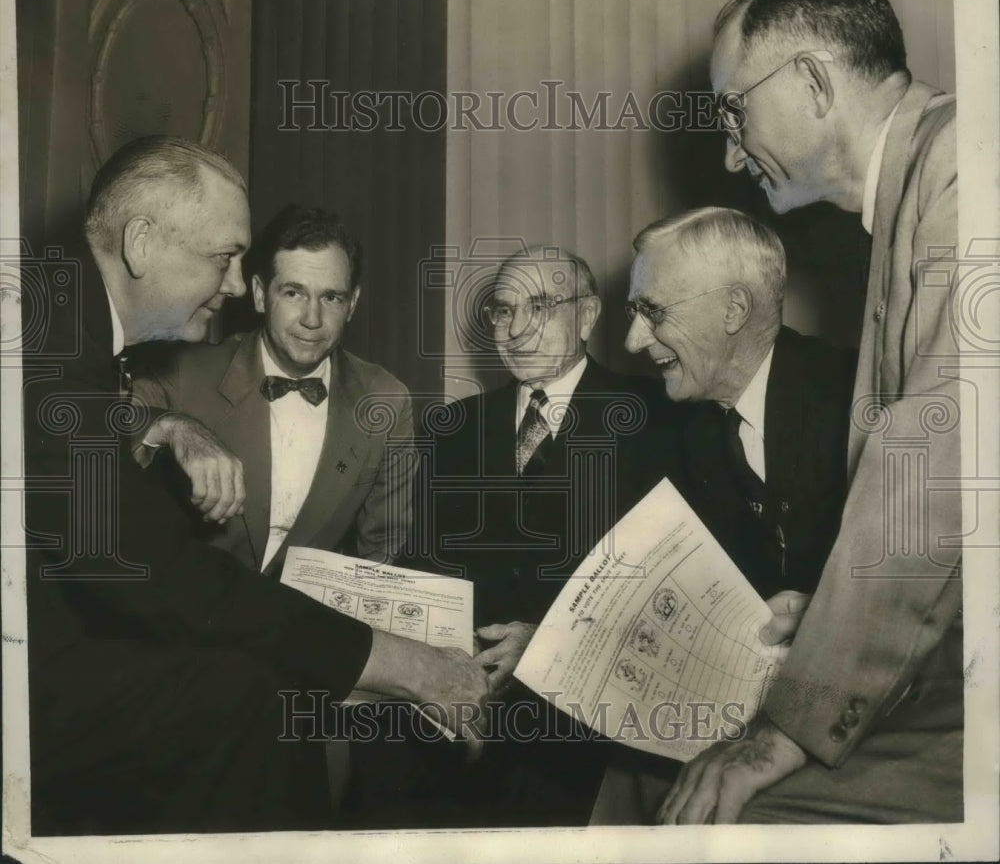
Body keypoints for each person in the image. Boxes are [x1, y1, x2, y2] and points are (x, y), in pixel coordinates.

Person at [22, 136, 488, 835]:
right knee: (253, 700)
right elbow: (157, 573)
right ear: (142, 243)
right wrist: (404, 666)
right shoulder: (58, 347)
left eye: (331, 295)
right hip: (33, 682)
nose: (239, 285)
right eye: (225, 258)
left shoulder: (60, 315)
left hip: (66, 640)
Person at [658, 0, 961, 825]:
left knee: (725, 813)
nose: (726, 150)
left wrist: (785, 730)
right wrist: (828, 611)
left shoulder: (968, 174)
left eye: (732, 111)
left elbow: (934, 478)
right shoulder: (924, 183)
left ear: (813, 82)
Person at [591, 206, 857, 823]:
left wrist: (827, 618)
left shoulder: (858, 399)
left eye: (652, 312)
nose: (632, 340)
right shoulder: (674, 433)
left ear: (734, 310)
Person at [386, 245, 666, 827]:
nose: (514, 329)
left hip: (590, 738)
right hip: (456, 727)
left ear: (587, 317)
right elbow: (426, 568)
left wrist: (554, 642)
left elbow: (671, 588)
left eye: (538, 307)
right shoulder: (454, 427)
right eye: (501, 310)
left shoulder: (656, 418)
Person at [131, 204, 414, 574]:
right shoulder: (186, 370)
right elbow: (94, 423)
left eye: (331, 298)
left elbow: (381, 552)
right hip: (190, 618)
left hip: (306, 622)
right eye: (294, 293)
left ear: (353, 304)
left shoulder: (386, 400)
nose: (312, 319)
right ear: (261, 295)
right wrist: (173, 426)